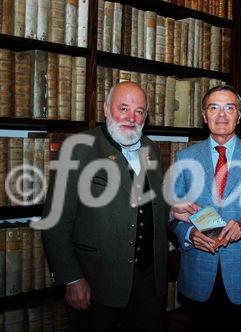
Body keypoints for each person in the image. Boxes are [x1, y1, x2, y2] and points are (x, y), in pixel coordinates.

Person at [42, 82, 169, 331]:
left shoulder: (151, 150)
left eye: (139, 111)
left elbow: (155, 206)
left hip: (148, 283)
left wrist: (177, 210)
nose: (131, 118)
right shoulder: (78, 148)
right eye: (124, 108)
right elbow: (56, 220)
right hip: (96, 282)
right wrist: (72, 278)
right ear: (105, 109)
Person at [169, 85, 241, 332]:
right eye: (213, 107)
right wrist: (188, 234)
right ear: (204, 116)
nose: (222, 114)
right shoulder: (184, 159)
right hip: (198, 273)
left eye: (230, 107)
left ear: (240, 115)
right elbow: (172, 212)